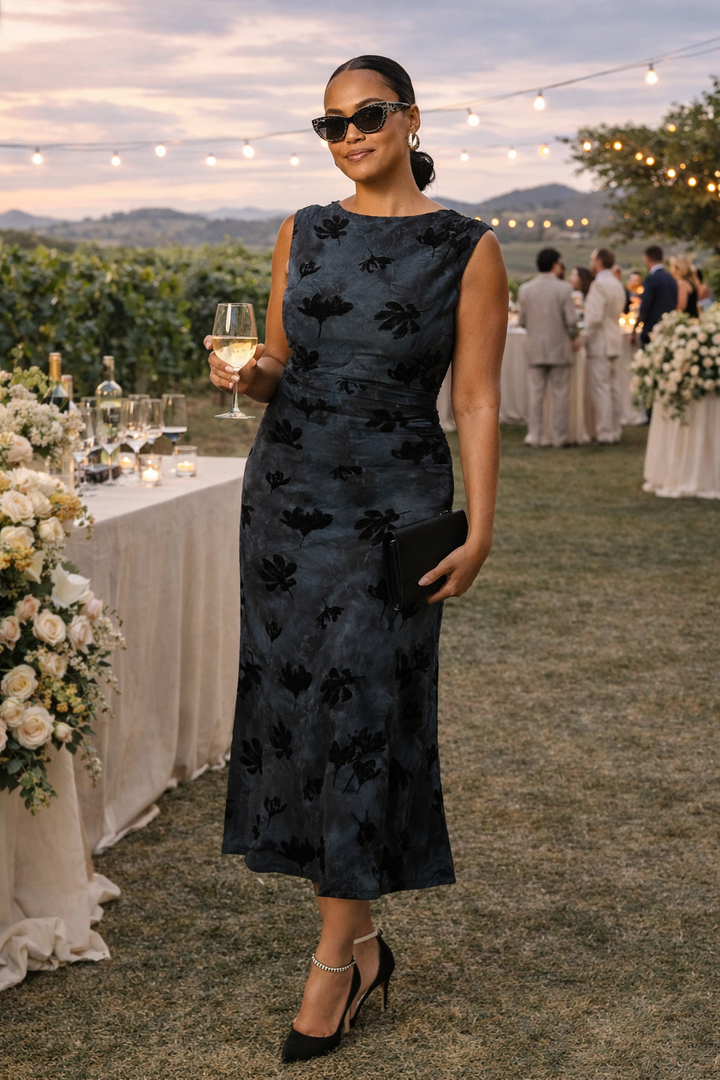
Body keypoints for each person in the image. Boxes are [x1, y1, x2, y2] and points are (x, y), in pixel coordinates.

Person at [206, 55, 507, 1065]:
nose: (349, 136)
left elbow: (475, 399)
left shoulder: (469, 248)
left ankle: (333, 965)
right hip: (286, 503)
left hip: (393, 507)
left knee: (363, 713)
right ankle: (364, 942)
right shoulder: (303, 229)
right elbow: (280, 364)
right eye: (331, 123)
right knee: (300, 713)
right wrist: (246, 376)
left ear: (410, 118)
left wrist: (479, 527)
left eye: (367, 116)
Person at [517, 247, 580, 447]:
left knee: (536, 394)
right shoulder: (564, 288)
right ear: (555, 265)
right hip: (559, 347)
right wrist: (575, 336)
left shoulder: (525, 289)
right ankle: (559, 438)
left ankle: (534, 436)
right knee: (561, 394)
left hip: (535, 347)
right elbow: (571, 320)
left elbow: (522, 321)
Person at [583, 247, 627, 444]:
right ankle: (615, 430)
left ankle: (604, 433)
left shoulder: (599, 285)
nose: (591, 263)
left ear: (599, 262)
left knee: (601, 390)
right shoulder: (617, 283)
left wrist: (583, 339)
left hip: (600, 343)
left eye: (593, 260)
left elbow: (594, 319)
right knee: (613, 390)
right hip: (615, 340)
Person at [636, 245, 678, 346]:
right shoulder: (672, 279)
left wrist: (636, 325)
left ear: (648, 259)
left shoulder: (651, 279)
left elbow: (645, 306)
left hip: (652, 329)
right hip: (669, 328)